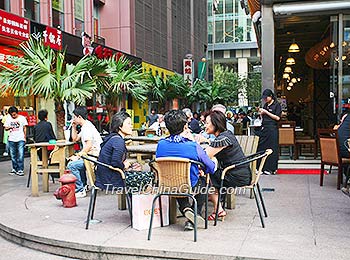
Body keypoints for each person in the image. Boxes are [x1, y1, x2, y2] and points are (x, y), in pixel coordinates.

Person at [156, 110, 215, 231]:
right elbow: (211, 167)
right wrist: (203, 169)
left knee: (175, 181)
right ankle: (194, 215)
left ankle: (185, 208)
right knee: (204, 183)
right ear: (185, 126)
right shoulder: (192, 146)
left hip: (167, 185)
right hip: (189, 185)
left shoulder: (160, 144)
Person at [204, 110, 251, 220]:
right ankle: (215, 200)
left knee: (205, 175)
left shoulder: (222, 139)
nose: (204, 126)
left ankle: (218, 209)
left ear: (215, 124)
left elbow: (205, 156)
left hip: (236, 175)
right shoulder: (226, 135)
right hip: (241, 172)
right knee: (209, 172)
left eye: (206, 123)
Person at [95, 111, 143, 190]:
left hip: (103, 178)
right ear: (120, 126)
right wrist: (125, 166)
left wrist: (129, 167)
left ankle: (128, 202)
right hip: (111, 180)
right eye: (128, 123)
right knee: (147, 179)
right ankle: (131, 202)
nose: (131, 126)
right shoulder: (118, 141)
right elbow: (115, 162)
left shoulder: (112, 138)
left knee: (137, 171)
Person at [67, 106, 103, 198]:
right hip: (90, 156)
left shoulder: (87, 128)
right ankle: (83, 186)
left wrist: (78, 156)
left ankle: (80, 189)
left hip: (93, 157)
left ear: (79, 117)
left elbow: (88, 145)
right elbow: (75, 139)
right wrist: (74, 127)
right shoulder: (85, 126)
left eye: (74, 117)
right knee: (76, 163)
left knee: (71, 165)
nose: (73, 119)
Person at [256, 89, 282, 175]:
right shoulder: (265, 105)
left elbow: (278, 118)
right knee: (262, 147)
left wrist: (266, 112)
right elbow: (263, 117)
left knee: (272, 148)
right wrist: (261, 113)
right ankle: (261, 168)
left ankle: (271, 169)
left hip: (272, 129)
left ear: (271, 96)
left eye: (266, 97)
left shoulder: (277, 105)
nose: (265, 99)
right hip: (264, 128)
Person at [4, 106, 28, 176]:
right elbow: (5, 128)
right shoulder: (8, 119)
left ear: (17, 113)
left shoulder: (22, 118)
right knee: (13, 155)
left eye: (14, 114)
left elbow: (24, 128)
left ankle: (20, 169)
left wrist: (24, 137)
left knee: (21, 154)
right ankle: (14, 168)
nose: (13, 116)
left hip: (20, 138)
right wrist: (9, 127)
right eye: (12, 115)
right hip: (11, 138)